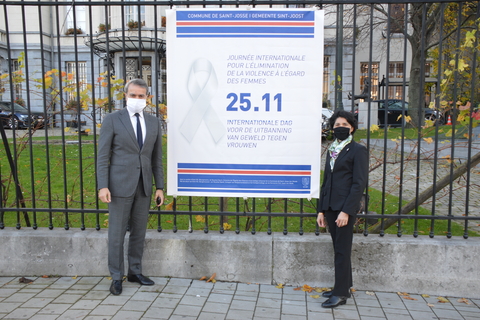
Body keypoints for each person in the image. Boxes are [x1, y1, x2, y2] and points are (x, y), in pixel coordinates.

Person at [97, 79, 165, 295]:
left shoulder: (153, 122)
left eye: (141, 96)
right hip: (118, 186)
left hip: (144, 185)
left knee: (139, 232)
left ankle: (135, 271)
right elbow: (103, 156)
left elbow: (157, 159)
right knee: (116, 233)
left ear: (147, 98)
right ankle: (116, 277)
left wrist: (159, 187)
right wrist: (103, 186)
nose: (137, 99)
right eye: (133, 95)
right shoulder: (112, 120)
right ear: (125, 96)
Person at [317, 110, 368, 308]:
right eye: (337, 125)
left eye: (344, 125)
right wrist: (321, 210)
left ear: (352, 128)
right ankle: (343, 286)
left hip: (344, 209)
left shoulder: (357, 150)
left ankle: (340, 294)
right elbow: (326, 181)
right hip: (330, 206)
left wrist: (347, 211)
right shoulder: (332, 149)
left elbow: (359, 183)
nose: (340, 128)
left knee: (342, 251)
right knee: (338, 248)